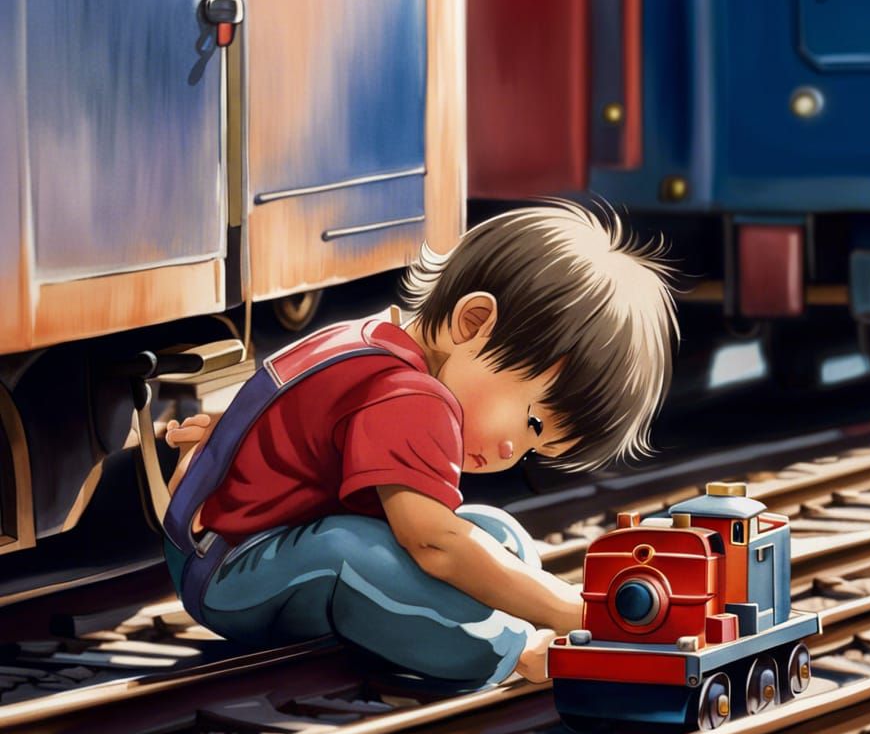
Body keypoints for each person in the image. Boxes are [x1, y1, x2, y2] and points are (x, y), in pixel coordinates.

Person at [163, 201, 678, 690]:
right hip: (226, 573)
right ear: (474, 324)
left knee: (497, 534)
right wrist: (570, 610)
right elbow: (434, 545)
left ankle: (464, 620)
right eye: (531, 422)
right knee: (352, 553)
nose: (510, 452)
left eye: (530, 450)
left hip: (239, 538)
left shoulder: (380, 339)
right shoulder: (411, 397)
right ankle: (510, 650)